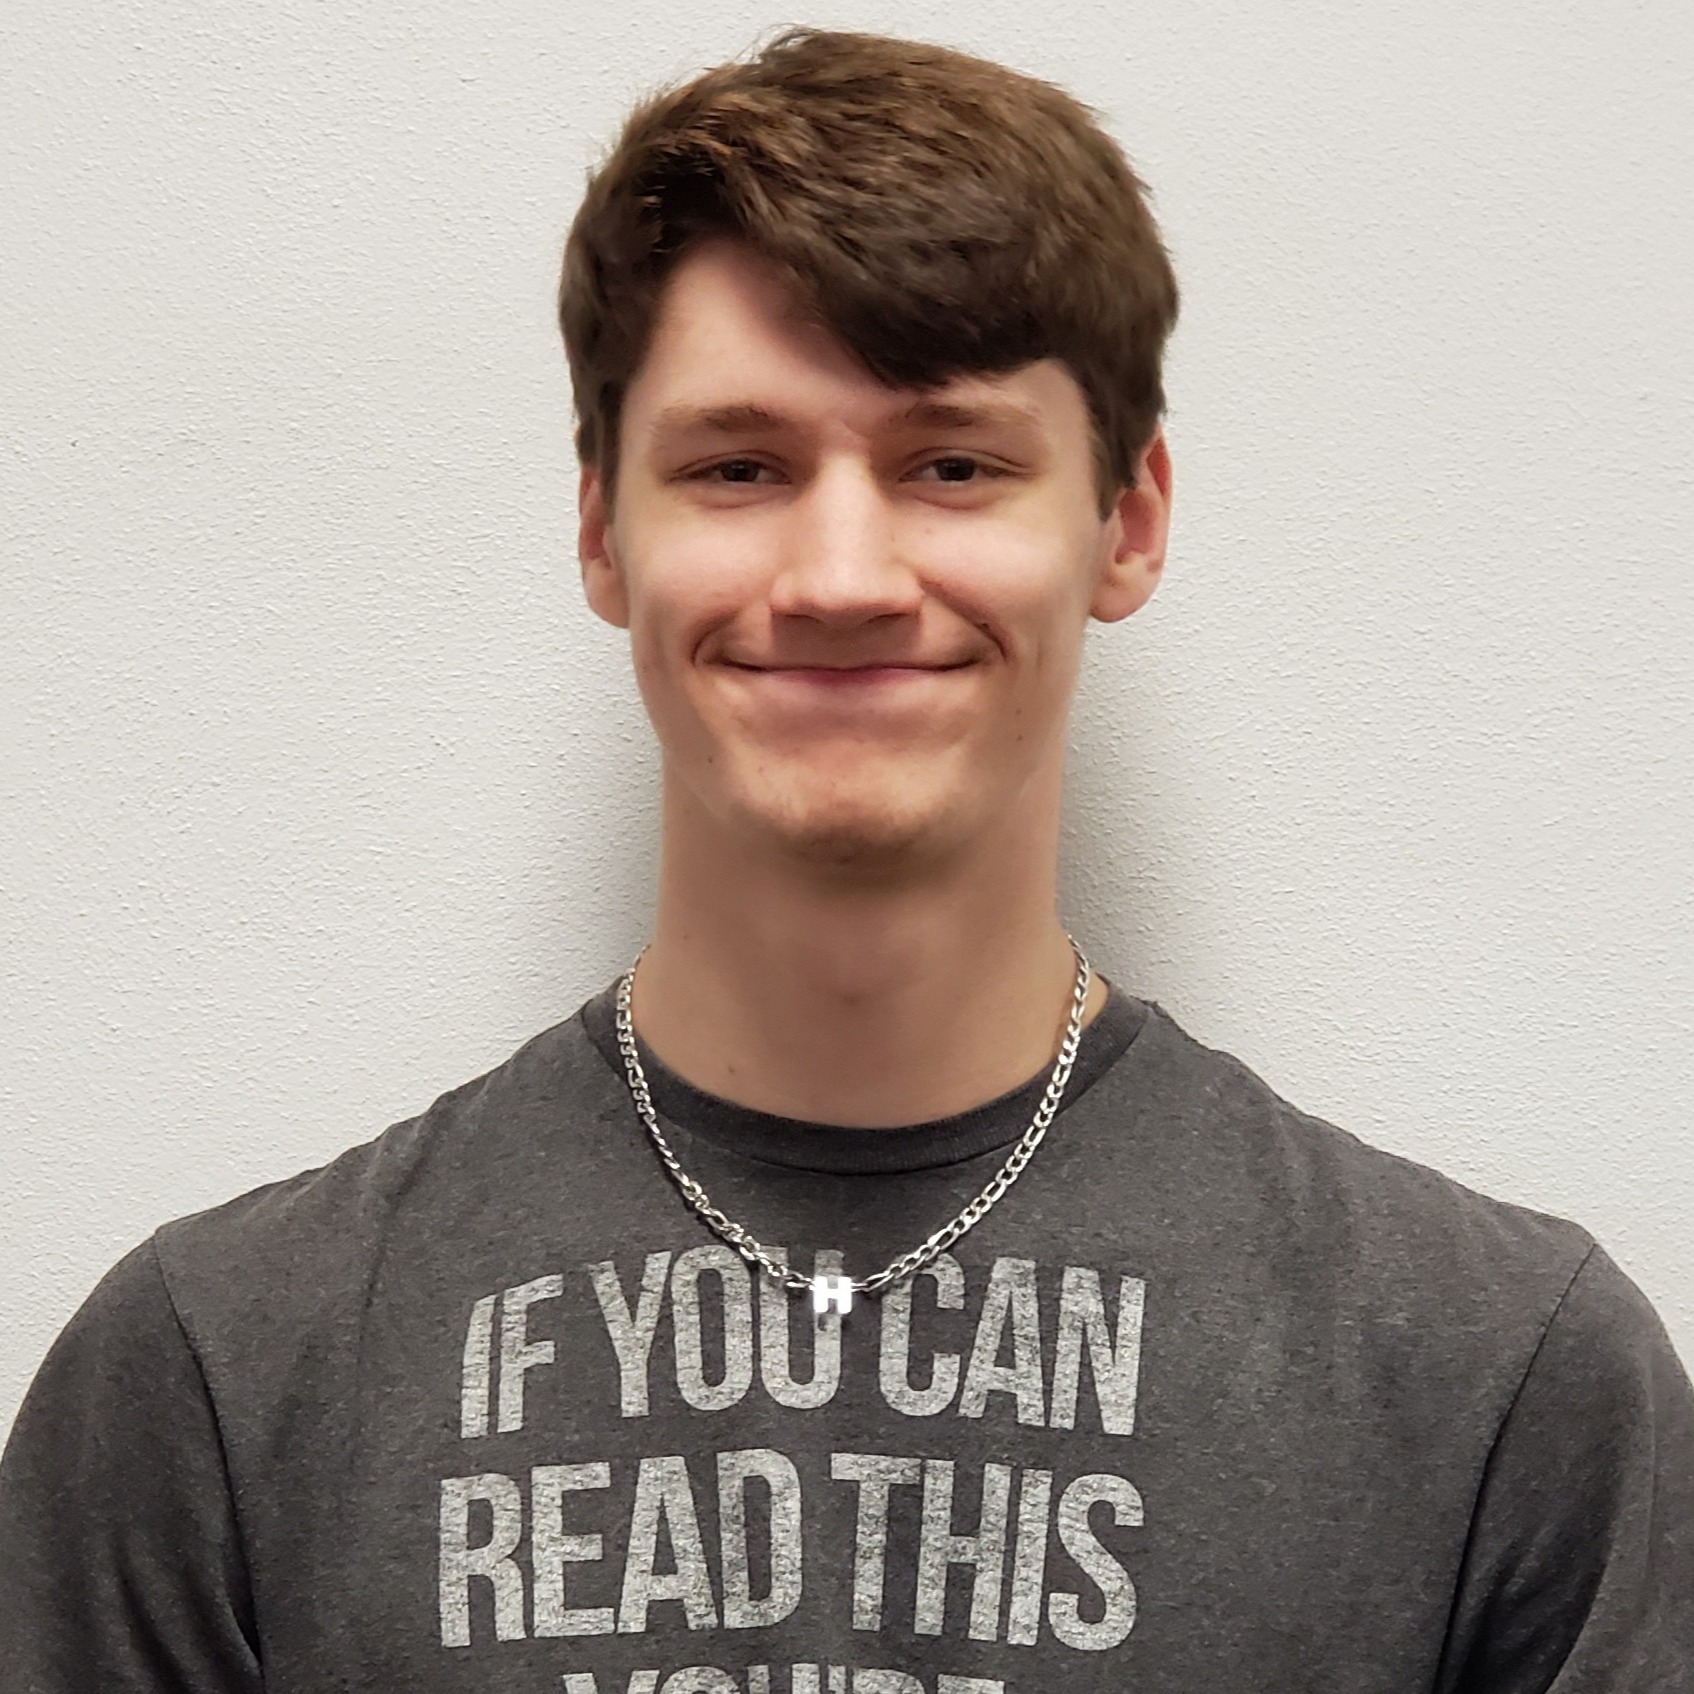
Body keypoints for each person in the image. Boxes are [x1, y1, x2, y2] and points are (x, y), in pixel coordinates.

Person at [2, 25, 1689, 1693]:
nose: (839, 573)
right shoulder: (213, 1379)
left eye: (950, 463)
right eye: (738, 466)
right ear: (602, 528)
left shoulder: (1504, 1388)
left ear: (1128, 519)